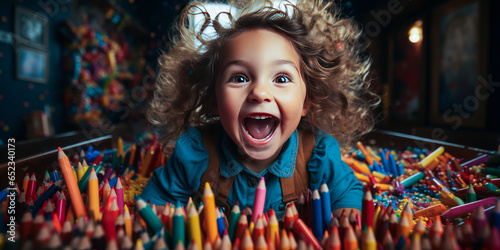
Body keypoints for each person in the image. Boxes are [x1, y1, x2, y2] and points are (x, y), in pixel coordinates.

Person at [141, 0, 379, 219]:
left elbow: (349, 193)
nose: (259, 92)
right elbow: (156, 200)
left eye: (282, 79)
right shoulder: (195, 153)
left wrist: (345, 215)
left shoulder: (319, 155)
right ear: (213, 100)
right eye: (240, 78)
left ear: (306, 101)